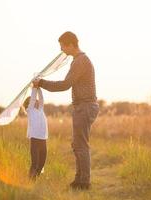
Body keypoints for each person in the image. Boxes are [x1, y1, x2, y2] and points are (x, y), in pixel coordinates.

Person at [33, 31, 99, 190]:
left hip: (84, 106)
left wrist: (41, 83)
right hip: (83, 106)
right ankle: (79, 179)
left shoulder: (80, 61)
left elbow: (65, 85)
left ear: (70, 44)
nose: (61, 50)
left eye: (62, 46)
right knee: (77, 144)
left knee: (81, 145)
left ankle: (84, 182)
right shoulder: (79, 60)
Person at [23, 87, 48, 180]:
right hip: (35, 140)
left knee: (41, 164)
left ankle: (34, 180)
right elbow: (33, 98)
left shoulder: (40, 109)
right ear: (29, 105)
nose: (36, 101)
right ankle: (30, 181)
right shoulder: (30, 111)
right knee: (35, 163)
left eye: (36, 101)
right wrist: (34, 88)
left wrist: (39, 88)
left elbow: (41, 99)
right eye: (33, 101)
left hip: (43, 140)